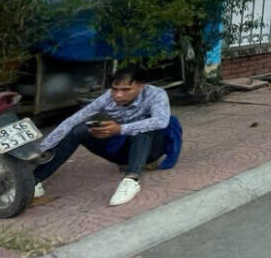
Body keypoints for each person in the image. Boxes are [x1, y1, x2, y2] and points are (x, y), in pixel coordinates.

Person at [33, 67, 181, 207]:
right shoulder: (107, 98)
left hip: (151, 148)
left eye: (126, 90)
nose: (118, 95)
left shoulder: (156, 94)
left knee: (143, 127)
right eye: (115, 89)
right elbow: (73, 120)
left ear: (141, 87)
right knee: (79, 130)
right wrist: (42, 148)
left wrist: (120, 129)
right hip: (122, 149)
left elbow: (161, 121)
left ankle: (131, 180)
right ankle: (35, 180)